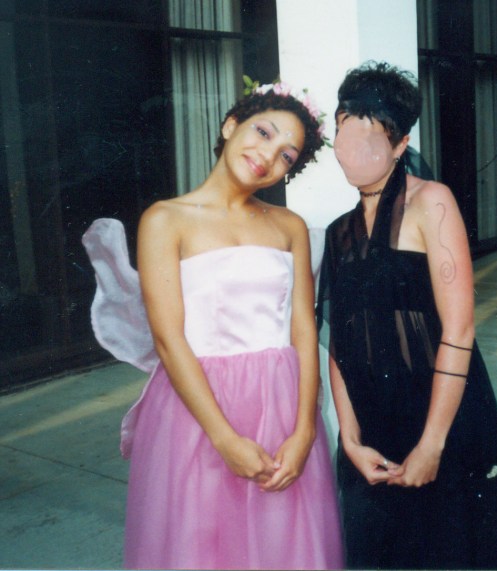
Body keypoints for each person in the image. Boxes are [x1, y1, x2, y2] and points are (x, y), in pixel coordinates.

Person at [83, 82, 343, 569]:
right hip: (198, 410)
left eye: (287, 154)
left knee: (282, 543)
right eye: (262, 132)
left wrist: (306, 429)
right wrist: (224, 438)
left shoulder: (289, 226)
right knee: (201, 543)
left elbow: (303, 332)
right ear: (230, 126)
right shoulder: (165, 219)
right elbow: (168, 338)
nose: (268, 156)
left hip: (282, 403)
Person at [317, 61, 497, 570]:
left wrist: (432, 444)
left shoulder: (430, 203)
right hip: (372, 422)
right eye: (344, 129)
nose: (352, 148)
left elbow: (459, 328)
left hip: (438, 414)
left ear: (400, 144)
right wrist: (348, 437)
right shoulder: (338, 232)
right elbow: (340, 342)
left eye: (371, 135)